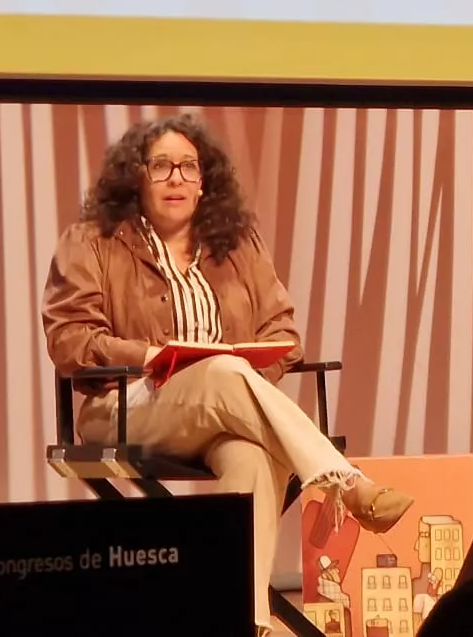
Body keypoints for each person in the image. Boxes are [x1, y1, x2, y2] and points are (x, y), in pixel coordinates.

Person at [42, 114, 412, 636]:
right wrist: (150, 355)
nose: (177, 178)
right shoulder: (92, 241)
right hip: (124, 408)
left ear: (204, 180)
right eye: (162, 165)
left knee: (253, 456)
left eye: (189, 167)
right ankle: (346, 483)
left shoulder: (236, 243)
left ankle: (242, 621)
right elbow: (70, 340)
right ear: (136, 176)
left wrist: (247, 364)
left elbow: (283, 333)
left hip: (221, 408)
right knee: (221, 369)